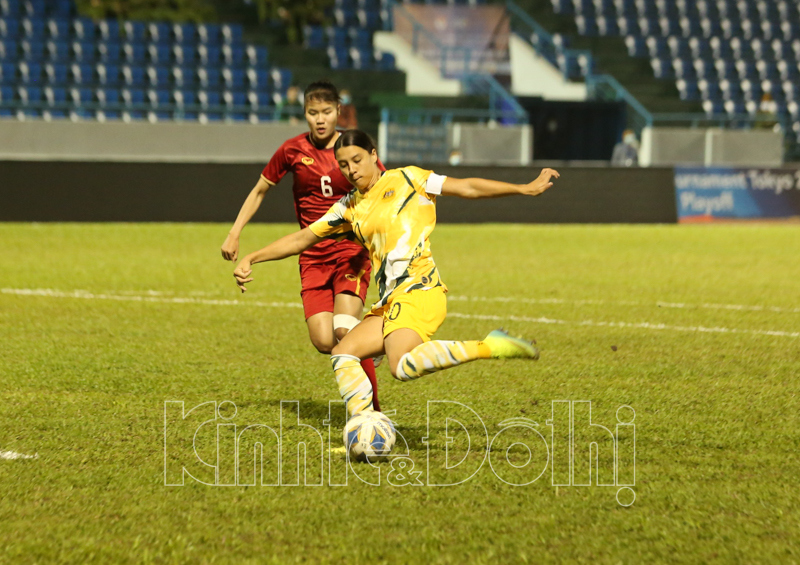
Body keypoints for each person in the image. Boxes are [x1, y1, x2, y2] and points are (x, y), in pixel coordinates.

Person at [233, 130, 559, 417]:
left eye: (357, 160)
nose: (352, 170)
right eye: (344, 164)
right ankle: (366, 424)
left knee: (401, 366)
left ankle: (488, 346)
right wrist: (253, 257)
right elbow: (303, 238)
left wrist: (524, 189)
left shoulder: (408, 179)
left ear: (374, 155)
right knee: (343, 354)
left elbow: (467, 187)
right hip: (390, 303)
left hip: (420, 292)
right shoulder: (349, 206)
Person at [221, 83, 382, 409]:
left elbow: (382, 187)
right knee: (325, 340)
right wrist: (235, 232)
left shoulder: (351, 148)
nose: (320, 120)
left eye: (326, 112)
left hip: (350, 252)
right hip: (311, 256)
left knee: (343, 331)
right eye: (313, 113)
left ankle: (373, 416)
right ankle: (373, 343)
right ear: (305, 114)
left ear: (339, 111)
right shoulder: (292, 150)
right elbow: (259, 191)